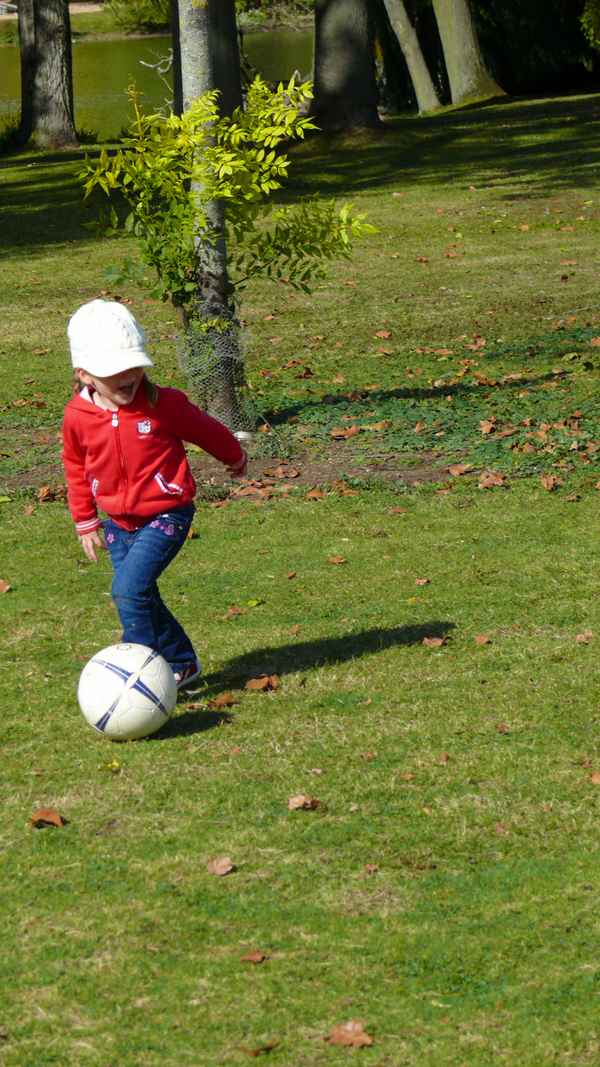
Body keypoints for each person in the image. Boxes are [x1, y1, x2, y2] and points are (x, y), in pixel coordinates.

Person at [62, 299, 247, 688]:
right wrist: (84, 520)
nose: (128, 377)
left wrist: (234, 454)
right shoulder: (77, 417)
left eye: (135, 367)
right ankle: (182, 664)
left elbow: (205, 429)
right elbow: (75, 466)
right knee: (139, 595)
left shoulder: (164, 405)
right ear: (85, 375)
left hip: (167, 514)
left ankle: (139, 674)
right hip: (118, 522)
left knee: (128, 591)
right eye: (115, 373)